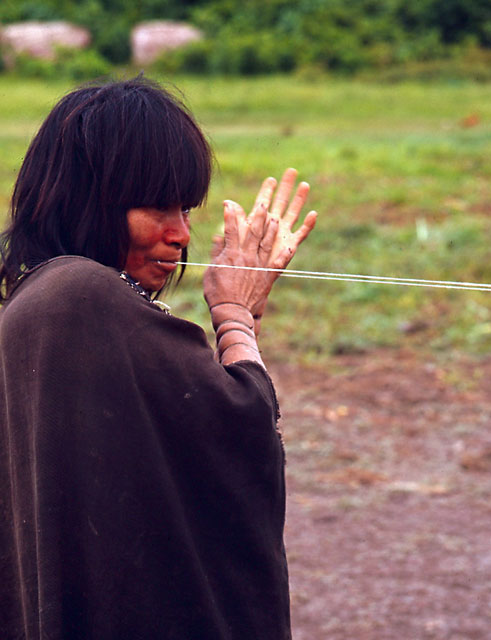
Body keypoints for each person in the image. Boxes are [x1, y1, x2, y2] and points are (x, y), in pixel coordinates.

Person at [0, 77, 316, 639]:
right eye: (155, 207)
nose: (179, 235)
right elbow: (239, 422)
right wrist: (234, 316)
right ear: (87, 201)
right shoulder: (82, 298)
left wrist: (243, 311)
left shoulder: (34, 306)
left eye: (186, 210)